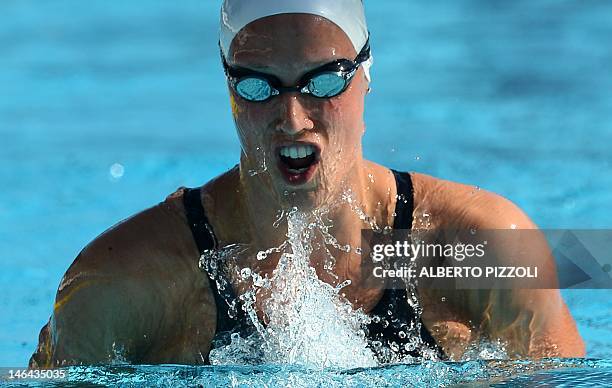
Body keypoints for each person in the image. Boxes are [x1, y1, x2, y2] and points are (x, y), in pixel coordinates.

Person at [30, 0, 584, 368]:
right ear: (227, 90)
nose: (292, 119)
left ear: (366, 75)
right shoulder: (129, 281)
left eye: (323, 80)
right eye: (257, 87)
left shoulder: (472, 249)